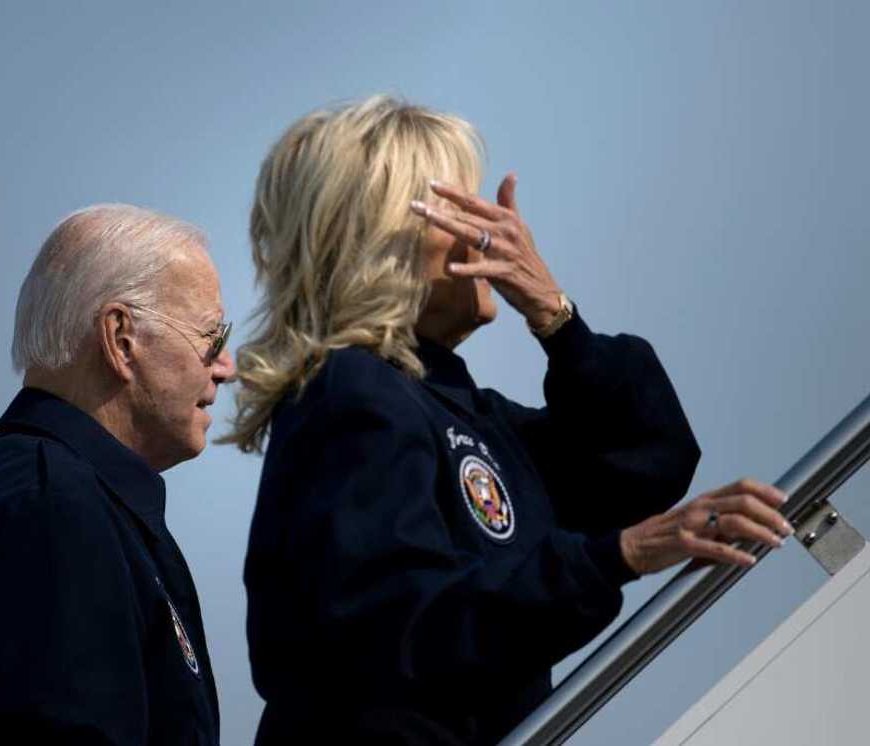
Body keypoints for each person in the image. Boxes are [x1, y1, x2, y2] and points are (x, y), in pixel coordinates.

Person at [225, 97, 792, 746]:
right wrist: (619, 556)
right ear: (385, 235)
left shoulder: (462, 412)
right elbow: (394, 628)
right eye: (464, 209)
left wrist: (556, 316)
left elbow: (647, 459)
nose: (490, 231)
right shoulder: (351, 393)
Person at [0, 204, 235, 745]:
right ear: (122, 339)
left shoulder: (75, 499)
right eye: (211, 338)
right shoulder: (51, 511)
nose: (226, 366)